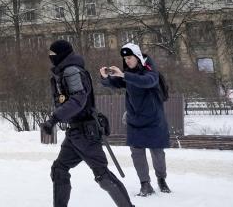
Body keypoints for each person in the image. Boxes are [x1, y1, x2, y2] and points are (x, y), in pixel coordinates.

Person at [40, 39, 135, 207]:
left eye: (53, 55)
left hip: (86, 134)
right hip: (75, 133)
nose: (51, 58)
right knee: (59, 169)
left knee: (102, 175)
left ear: (62, 54)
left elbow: (78, 100)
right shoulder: (65, 71)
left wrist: (54, 118)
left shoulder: (71, 71)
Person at [101, 43, 171, 196]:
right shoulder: (127, 72)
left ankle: (161, 179)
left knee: (157, 152)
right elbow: (116, 84)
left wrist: (124, 75)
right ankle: (145, 184)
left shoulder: (149, 69)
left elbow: (148, 81)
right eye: (125, 58)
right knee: (137, 153)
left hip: (154, 119)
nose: (127, 61)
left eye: (129, 57)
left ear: (137, 57)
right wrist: (106, 78)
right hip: (134, 119)